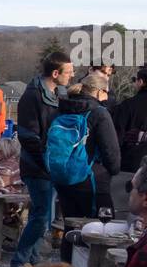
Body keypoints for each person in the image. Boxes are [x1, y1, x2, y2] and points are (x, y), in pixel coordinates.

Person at [12, 50, 75, 267]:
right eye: (69, 72)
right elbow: (28, 136)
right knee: (41, 216)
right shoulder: (32, 96)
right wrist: (46, 162)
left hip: (52, 166)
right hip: (36, 166)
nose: (72, 75)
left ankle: (36, 262)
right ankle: (20, 261)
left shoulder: (59, 94)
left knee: (45, 217)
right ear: (55, 73)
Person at [50, 72, 121, 218]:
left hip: (63, 178)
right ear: (100, 92)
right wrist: (112, 171)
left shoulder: (62, 109)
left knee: (71, 228)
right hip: (93, 180)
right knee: (101, 228)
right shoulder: (100, 113)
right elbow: (111, 152)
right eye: (106, 93)